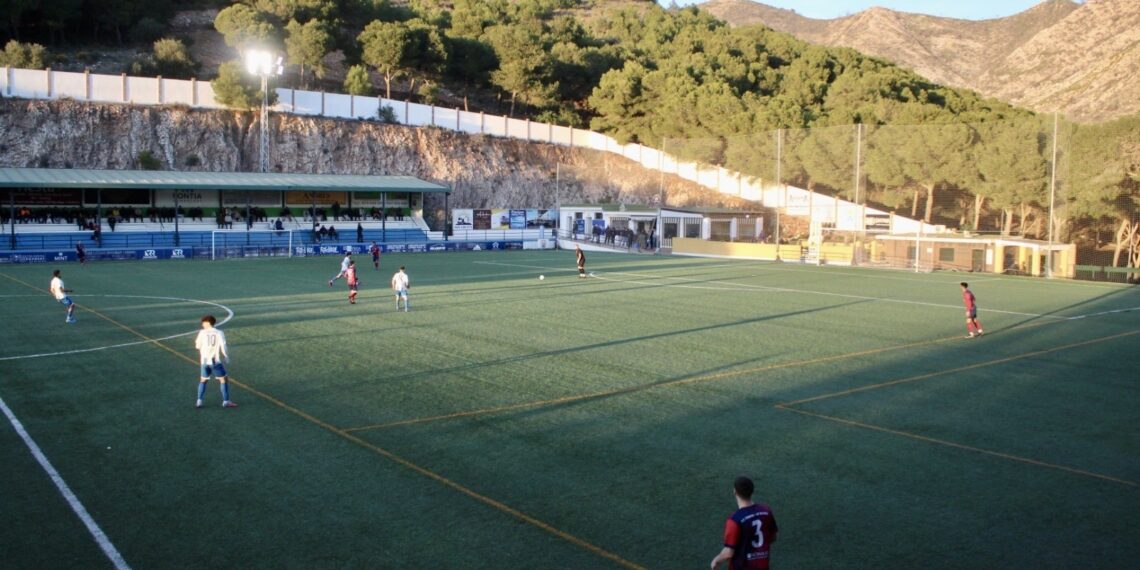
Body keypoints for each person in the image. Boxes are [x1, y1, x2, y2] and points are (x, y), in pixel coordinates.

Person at [711, 476, 778, 570]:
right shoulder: (766, 511)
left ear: (734, 492)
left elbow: (729, 553)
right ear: (752, 491)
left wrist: (716, 560)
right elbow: (773, 537)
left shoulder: (734, 520)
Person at [195, 315, 236, 409]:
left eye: (203, 322)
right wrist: (226, 356)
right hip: (215, 361)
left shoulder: (202, 332)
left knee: (203, 380)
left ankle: (199, 401)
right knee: (223, 380)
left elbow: (197, 346)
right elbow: (223, 346)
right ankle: (226, 401)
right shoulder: (219, 333)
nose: (202, 324)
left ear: (208, 323)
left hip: (204, 361)